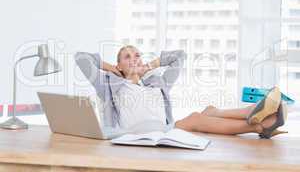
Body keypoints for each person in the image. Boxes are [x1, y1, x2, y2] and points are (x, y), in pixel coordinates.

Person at [75, 45, 287, 139]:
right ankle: (259, 125)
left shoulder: (158, 81)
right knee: (196, 118)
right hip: (134, 136)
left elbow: (179, 56)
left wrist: (149, 66)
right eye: (127, 56)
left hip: (164, 131)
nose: (134, 59)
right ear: (119, 65)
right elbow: (81, 58)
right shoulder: (110, 85)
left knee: (209, 111)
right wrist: (112, 68)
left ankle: (256, 113)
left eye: (137, 55)